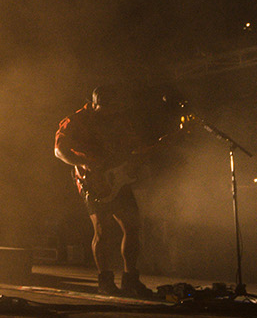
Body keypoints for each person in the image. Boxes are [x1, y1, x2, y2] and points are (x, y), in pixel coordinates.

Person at [54, 84, 185, 298]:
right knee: (102, 231)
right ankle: (105, 281)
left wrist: (158, 147)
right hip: (93, 181)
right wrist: (83, 163)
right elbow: (59, 150)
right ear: (94, 104)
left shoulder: (120, 121)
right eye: (105, 109)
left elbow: (132, 151)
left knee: (132, 227)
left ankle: (130, 280)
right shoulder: (76, 120)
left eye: (113, 108)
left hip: (118, 179)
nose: (110, 113)